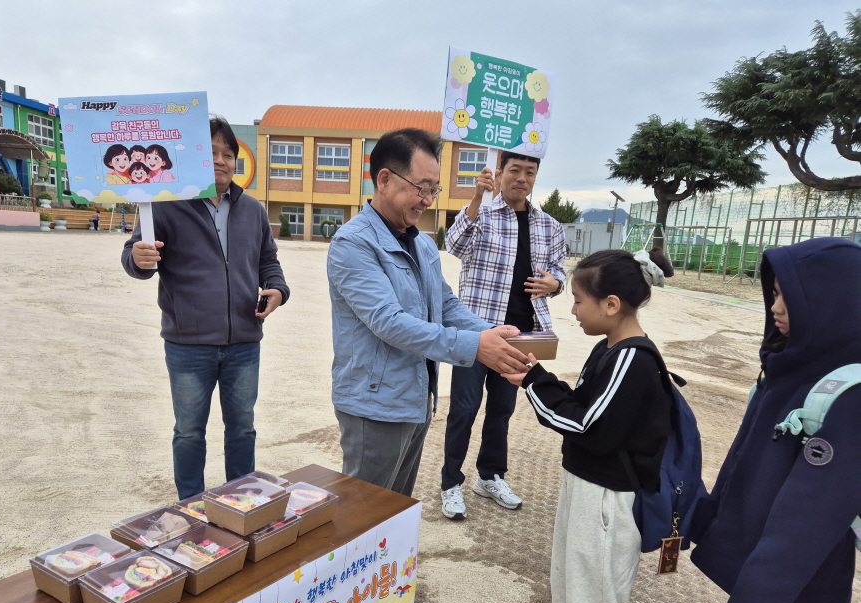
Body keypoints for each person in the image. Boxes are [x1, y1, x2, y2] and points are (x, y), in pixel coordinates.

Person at [691, 237, 861, 603]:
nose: (776, 307)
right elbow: (743, 463)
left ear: (832, 303)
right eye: (774, 293)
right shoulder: (786, 369)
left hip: (798, 595)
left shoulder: (848, 393)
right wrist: (704, 519)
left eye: (790, 297)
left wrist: (758, 600)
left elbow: (813, 516)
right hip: (761, 585)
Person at [503, 250, 673, 603]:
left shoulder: (632, 359)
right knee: (573, 592)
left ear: (611, 304)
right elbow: (584, 404)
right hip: (588, 488)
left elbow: (586, 426)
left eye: (578, 300)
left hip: (607, 500)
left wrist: (533, 384)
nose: (573, 310)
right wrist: (536, 375)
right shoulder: (610, 348)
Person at [327, 128, 530, 500]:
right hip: (375, 404)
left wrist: (494, 334)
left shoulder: (421, 242)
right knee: (363, 513)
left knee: (396, 507)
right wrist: (475, 346)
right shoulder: (353, 243)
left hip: (416, 396)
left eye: (434, 189)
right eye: (421, 188)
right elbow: (389, 322)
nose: (427, 200)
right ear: (384, 180)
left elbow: (445, 304)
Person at [122, 115, 289, 500]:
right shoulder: (165, 206)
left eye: (228, 154)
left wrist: (279, 289)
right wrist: (139, 259)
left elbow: (268, 260)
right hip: (188, 345)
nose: (220, 160)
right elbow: (136, 258)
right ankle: (190, 506)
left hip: (244, 342)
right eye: (211, 152)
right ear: (194, 157)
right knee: (189, 431)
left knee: (243, 429)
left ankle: (241, 501)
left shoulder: (253, 210)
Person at [440, 152, 566, 519]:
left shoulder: (550, 226)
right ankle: (451, 483)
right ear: (500, 173)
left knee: (502, 410)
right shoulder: (482, 215)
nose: (522, 178)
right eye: (515, 170)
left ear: (535, 177)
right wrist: (477, 197)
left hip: (520, 336)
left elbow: (558, 271)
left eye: (530, 172)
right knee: (464, 409)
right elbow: (454, 245)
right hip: (477, 335)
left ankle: (490, 476)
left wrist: (556, 284)